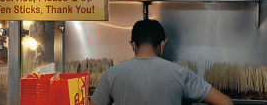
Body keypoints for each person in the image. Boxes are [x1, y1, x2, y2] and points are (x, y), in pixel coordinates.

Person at [89, 19, 233, 105]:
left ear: (132, 44)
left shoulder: (112, 74)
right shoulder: (180, 73)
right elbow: (226, 102)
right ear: (163, 44)